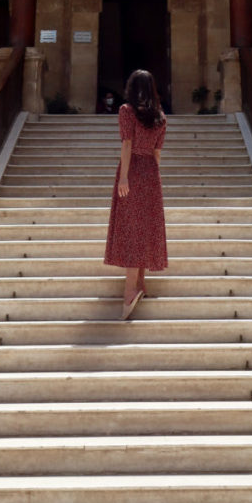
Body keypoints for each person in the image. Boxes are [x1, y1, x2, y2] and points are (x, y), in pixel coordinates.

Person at [103, 69, 167, 318]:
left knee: (132, 229)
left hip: (133, 170)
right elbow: (158, 154)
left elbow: (127, 143)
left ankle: (130, 291)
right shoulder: (160, 117)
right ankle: (140, 283)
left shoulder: (126, 111)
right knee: (145, 227)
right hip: (152, 173)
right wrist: (151, 178)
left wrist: (124, 176)